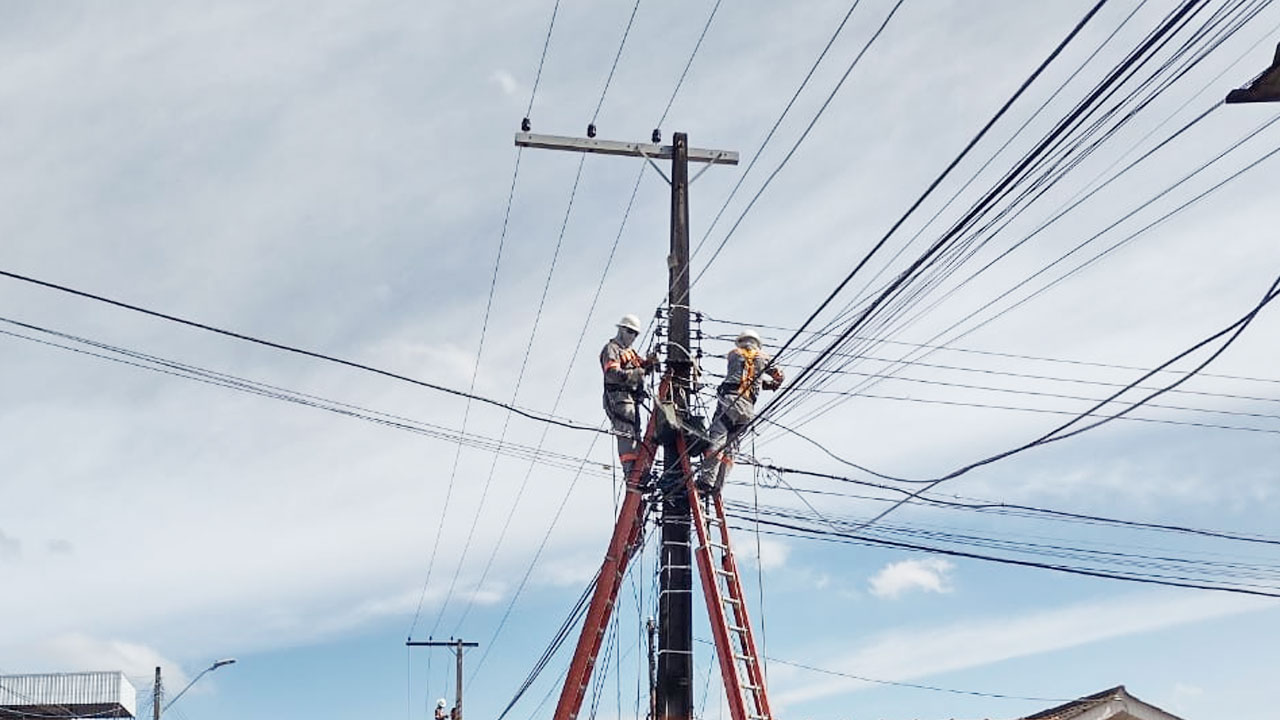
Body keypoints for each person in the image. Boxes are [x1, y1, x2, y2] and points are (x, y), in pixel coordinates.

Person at [701, 329, 783, 491]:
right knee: (731, 448)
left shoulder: (734, 353)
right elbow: (778, 376)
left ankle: (707, 481)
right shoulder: (764, 358)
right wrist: (770, 384)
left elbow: (742, 374)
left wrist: (759, 381)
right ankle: (718, 486)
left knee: (717, 441)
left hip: (730, 402)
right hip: (747, 409)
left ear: (740, 342)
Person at [600, 314, 657, 479]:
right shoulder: (611, 349)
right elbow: (612, 373)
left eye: (635, 334)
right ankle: (631, 472)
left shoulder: (630, 352)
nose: (633, 337)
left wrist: (649, 364)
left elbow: (640, 367)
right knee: (626, 432)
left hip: (631, 398)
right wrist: (635, 374)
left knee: (635, 433)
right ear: (621, 330)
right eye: (630, 332)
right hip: (618, 398)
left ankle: (639, 471)